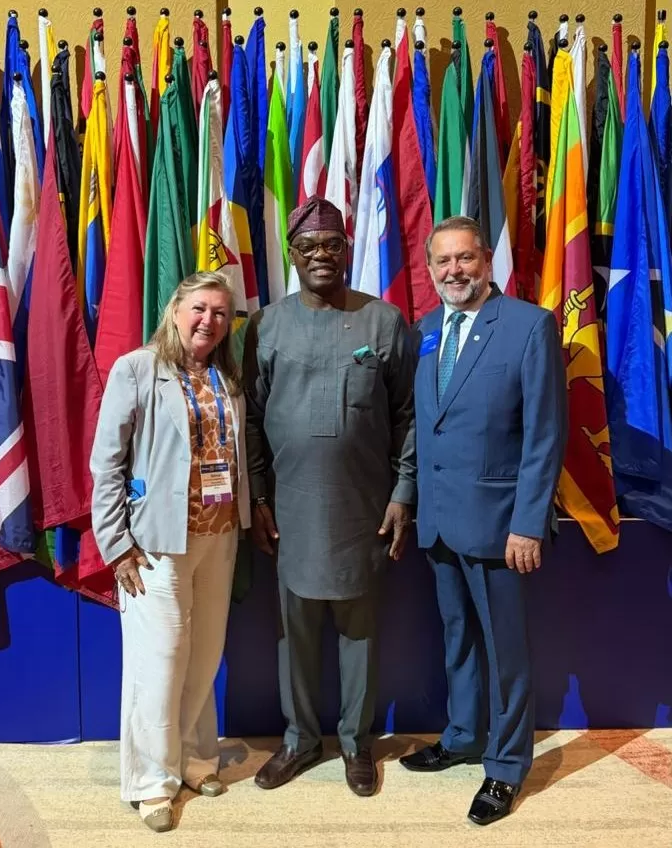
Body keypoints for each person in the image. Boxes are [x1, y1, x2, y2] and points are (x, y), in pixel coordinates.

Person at [244, 196, 416, 797]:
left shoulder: (383, 321)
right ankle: (299, 740)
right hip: (289, 509)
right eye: (308, 247)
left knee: (359, 632)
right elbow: (250, 421)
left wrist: (404, 493)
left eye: (332, 245)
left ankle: (355, 743)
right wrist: (257, 499)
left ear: (347, 250)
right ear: (292, 256)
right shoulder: (265, 325)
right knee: (292, 631)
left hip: (364, 509)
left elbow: (408, 416)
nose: (321, 255)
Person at [400, 217, 567, 825]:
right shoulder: (425, 331)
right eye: (442, 261)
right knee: (458, 637)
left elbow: (545, 435)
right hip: (439, 519)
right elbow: (426, 424)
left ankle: (506, 765)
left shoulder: (528, 325)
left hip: (501, 525)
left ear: (487, 261)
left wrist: (528, 522)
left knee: (505, 650)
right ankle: (464, 735)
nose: (454, 271)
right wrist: (408, 498)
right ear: (430, 269)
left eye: (465, 258)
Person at [90, 273, 251, 833]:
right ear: (175, 309)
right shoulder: (137, 369)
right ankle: (152, 783)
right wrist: (117, 545)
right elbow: (106, 464)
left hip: (219, 536)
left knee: (203, 656)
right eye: (200, 308)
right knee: (159, 662)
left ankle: (195, 761)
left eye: (221, 313)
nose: (209, 321)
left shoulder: (227, 376)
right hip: (155, 544)